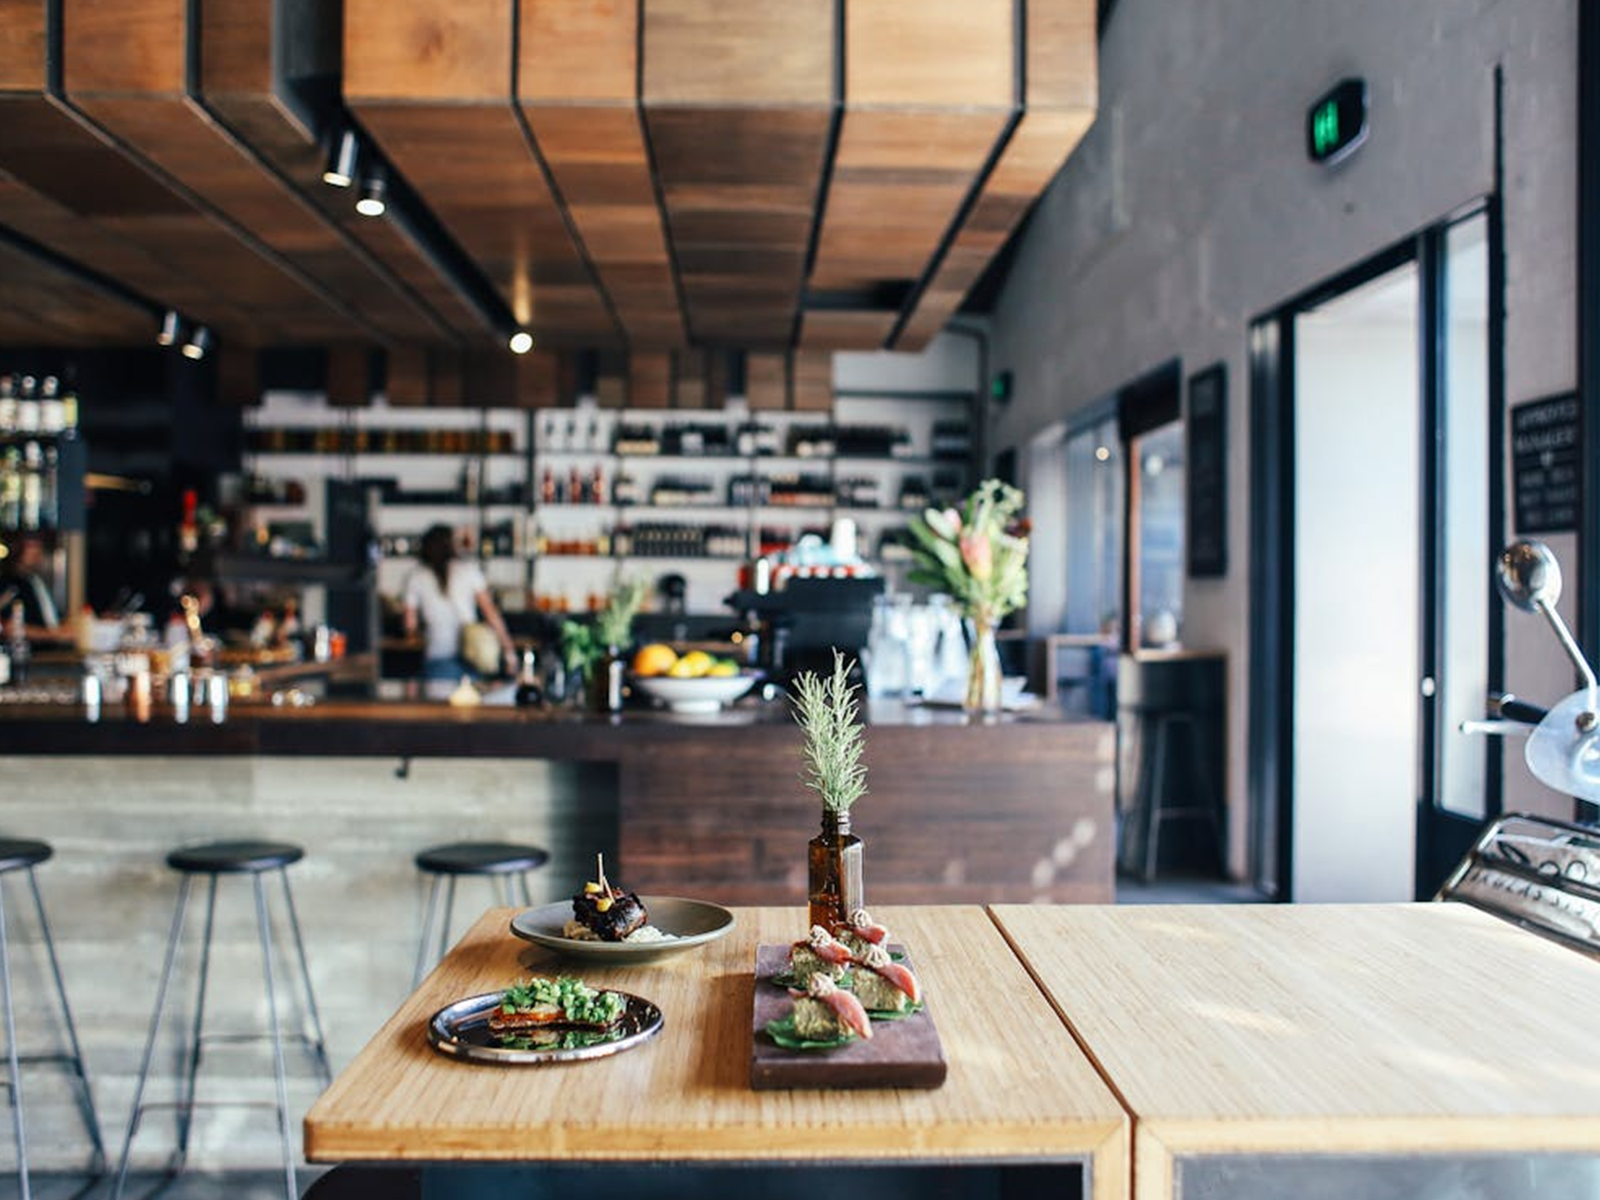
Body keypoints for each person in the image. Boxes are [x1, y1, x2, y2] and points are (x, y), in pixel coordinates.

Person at [402, 525, 515, 681]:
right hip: (472, 657)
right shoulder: (469, 571)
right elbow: (491, 614)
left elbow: (410, 625)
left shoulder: (416, 577)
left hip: (437, 659)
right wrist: (508, 651)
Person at [0, 534, 67, 643]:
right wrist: (55, 634)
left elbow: (48, 620)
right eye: (31, 546)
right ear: (17, 548)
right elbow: (8, 627)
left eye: (39, 546)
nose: (37, 551)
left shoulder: (35, 580)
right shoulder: (9, 583)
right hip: (25, 653)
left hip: (48, 651)